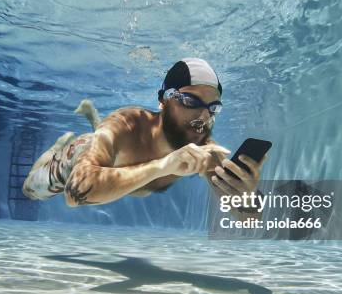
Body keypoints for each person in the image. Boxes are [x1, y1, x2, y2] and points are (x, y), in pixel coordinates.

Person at [22, 58, 265, 219]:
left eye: (214, 108)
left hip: (113, 159)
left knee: (106, 145)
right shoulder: (128, 123)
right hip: (74, 160)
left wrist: (249, 195)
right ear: (163, 100)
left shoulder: (203, 149)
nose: (204, 117)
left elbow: (249, 220)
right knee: (31, 190)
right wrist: (163, 166)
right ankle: (58, 147)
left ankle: (93, 120)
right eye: (190, 102)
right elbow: (74, 194)